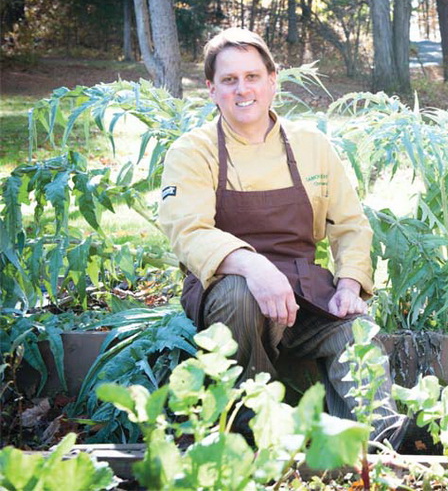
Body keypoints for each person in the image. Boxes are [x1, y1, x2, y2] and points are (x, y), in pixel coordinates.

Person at [158, 27, 431, 454]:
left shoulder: (312, 145)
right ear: (211, 89)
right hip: (228, 299)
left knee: (356, 335)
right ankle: (247, 435)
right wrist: (254, 267)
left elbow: (350, 225)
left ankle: (379, 449)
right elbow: (188, 232)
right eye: (229, 80)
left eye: (252, 77)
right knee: (238, 294)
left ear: (273, 80)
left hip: (304, 293)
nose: (242, 89)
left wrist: (349, 285)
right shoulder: (192, 152)